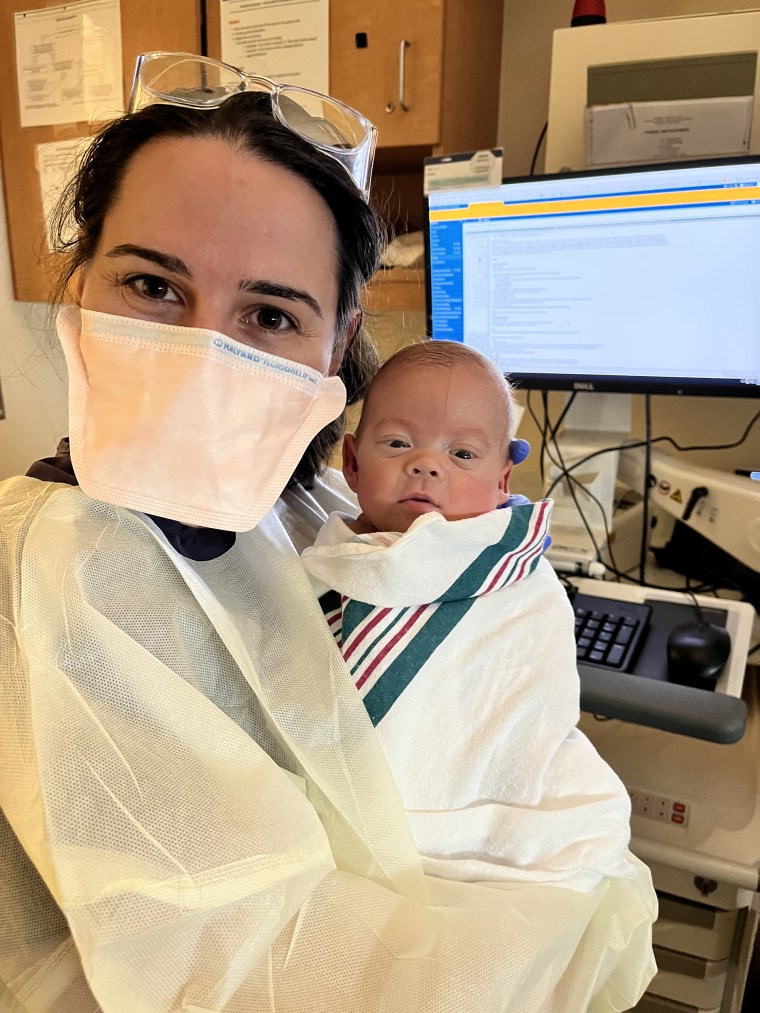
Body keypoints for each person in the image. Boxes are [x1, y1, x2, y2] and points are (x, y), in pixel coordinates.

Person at [0, 51, 656, 1013]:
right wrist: (555, 926)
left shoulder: (301, 499)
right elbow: (249, 966)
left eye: (268, 312)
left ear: (336, 342)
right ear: (82, 280)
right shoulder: (57, 569)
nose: (200, 355)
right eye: (153, 287)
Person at [302, 341, 643, 891]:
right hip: (346, 834)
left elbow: (526, 699)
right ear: (352, 463)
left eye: (462, 454)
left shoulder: (517, 581)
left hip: (476, 825)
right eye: (397, 443)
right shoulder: (325, 563)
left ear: (504, 480)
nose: (426, 465)